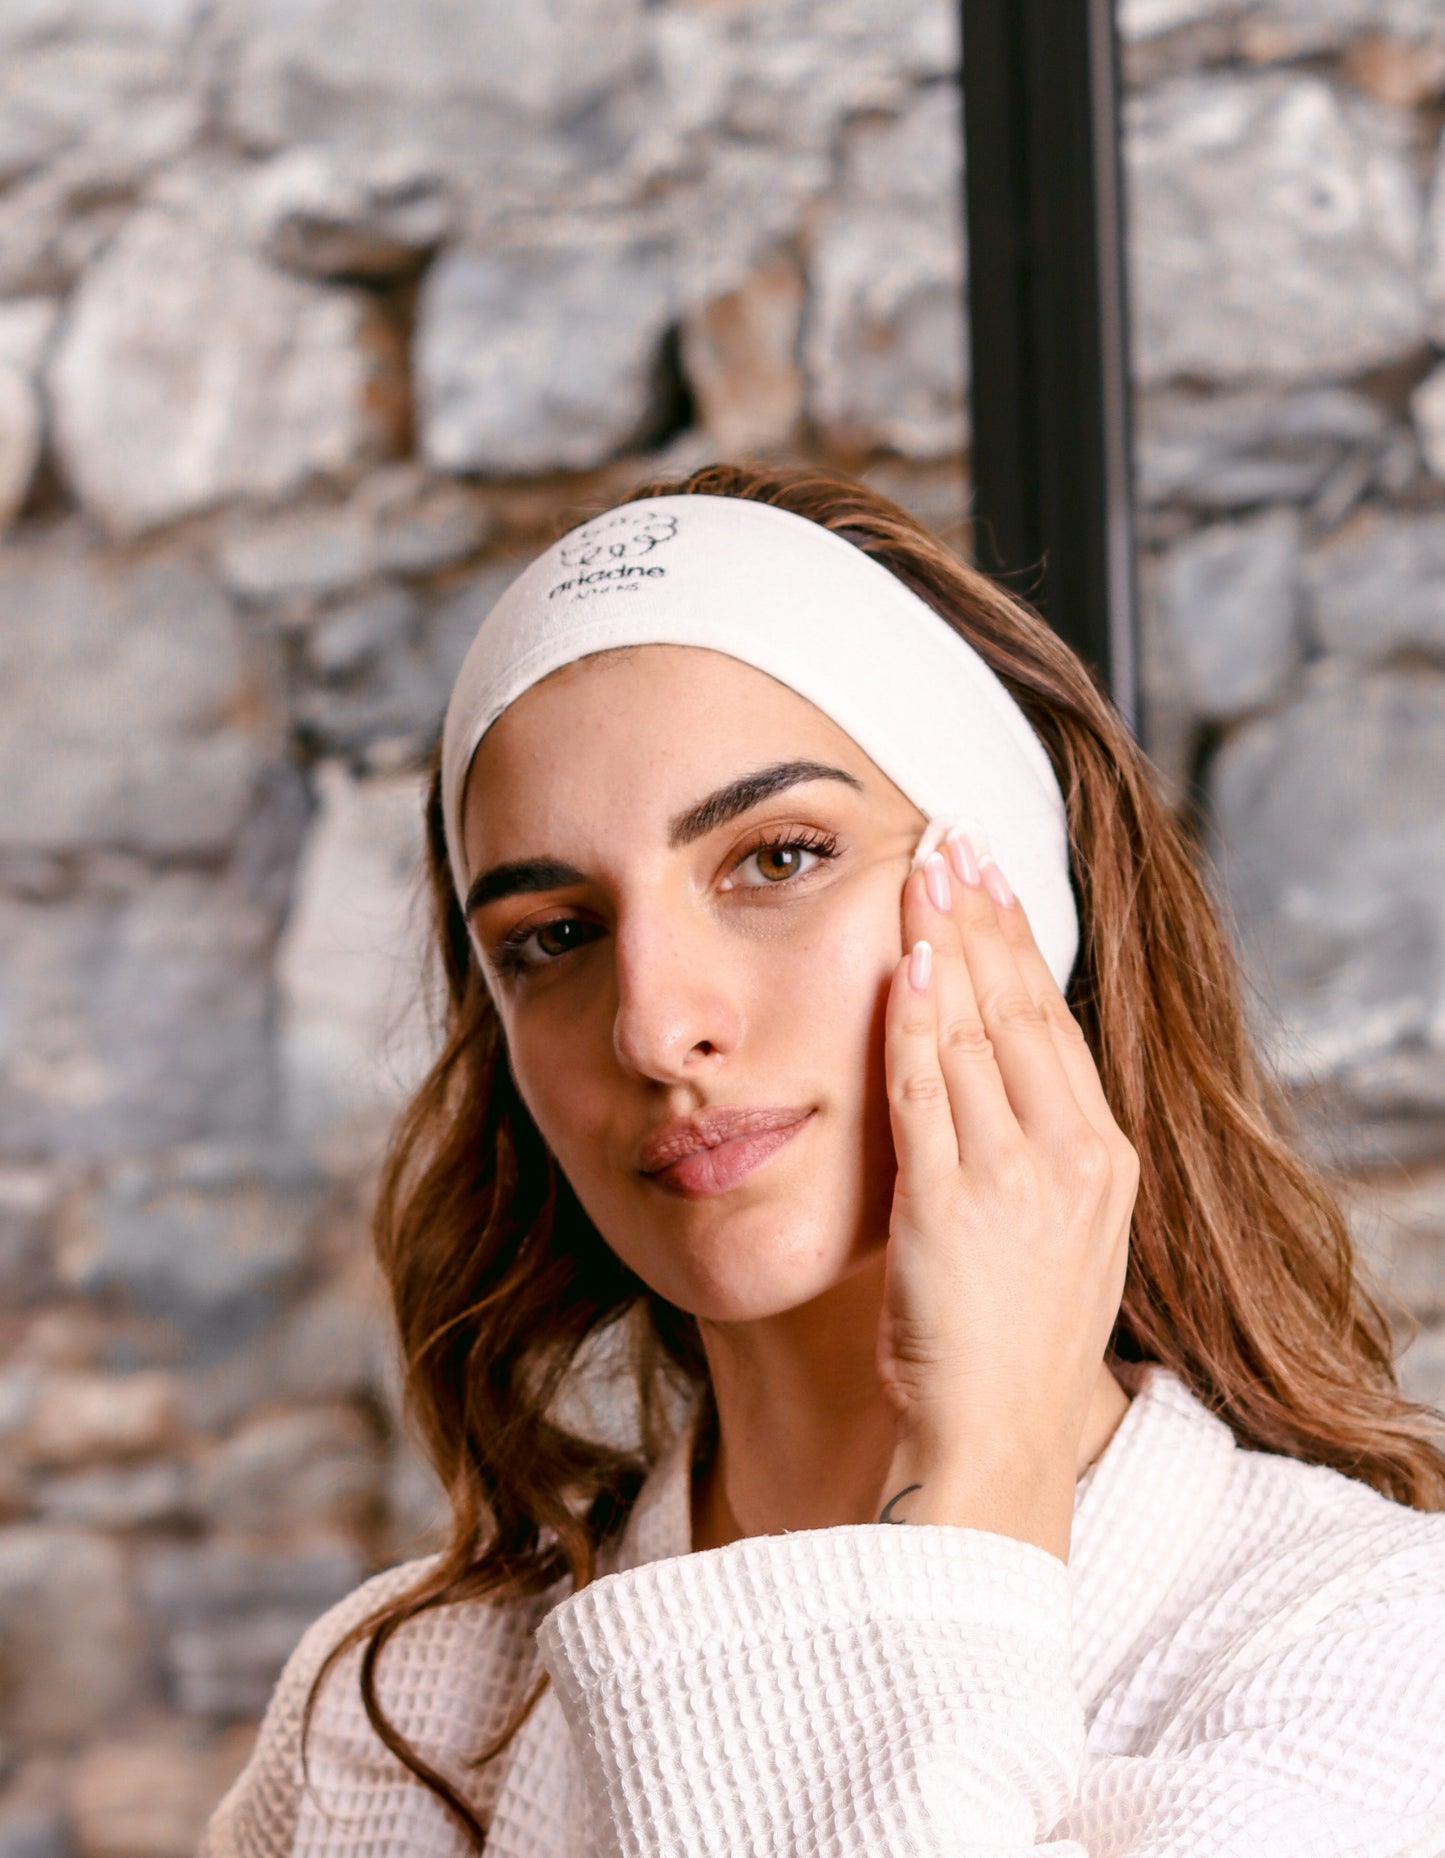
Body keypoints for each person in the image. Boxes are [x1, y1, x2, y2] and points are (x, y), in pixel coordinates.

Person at [199, 465, 1445, 1858]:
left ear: (1021, 907)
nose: (656, 1024)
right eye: (551, 935)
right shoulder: (395, 1718)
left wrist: (980, 1481)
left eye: (777, 857)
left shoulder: (1370, 1656)